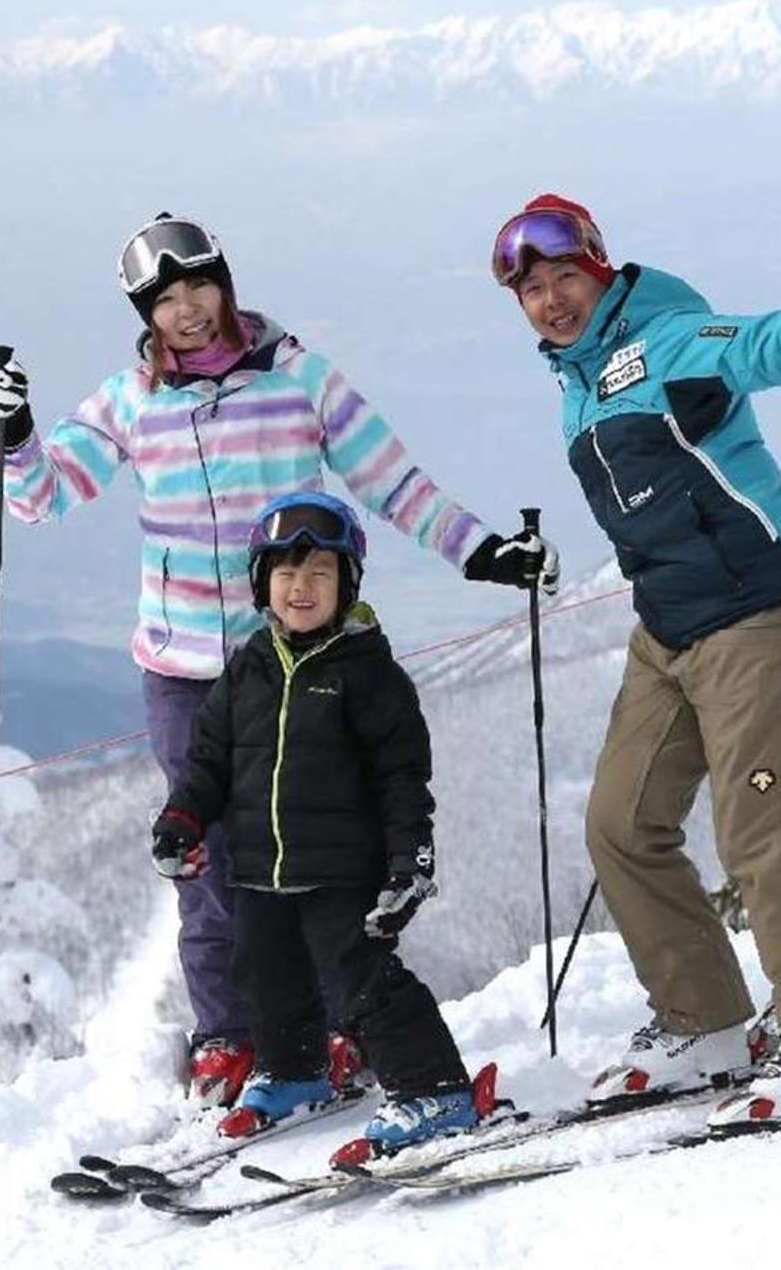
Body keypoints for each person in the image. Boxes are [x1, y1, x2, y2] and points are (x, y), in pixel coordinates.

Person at [0, 213, 557, 1106]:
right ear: (145, 314)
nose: (188, 312)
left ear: (225, 283)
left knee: (318, 855)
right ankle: (230, 1040)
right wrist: (12, 436)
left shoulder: (299, 381)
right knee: (201, 860)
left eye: (198, 287)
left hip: (302, 662)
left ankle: (333, 1026)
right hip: (182, 669)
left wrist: (482, 554)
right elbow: (45, 494)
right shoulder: (131, 401)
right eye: (164, 301)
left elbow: (395, 483)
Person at [488, 192, 781, 1130]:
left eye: (565, 277)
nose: (551, 300)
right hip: (669, 632)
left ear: (599, 267)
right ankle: (707, 1021)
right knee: (621, 824)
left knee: (765, 840)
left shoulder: (667, 335)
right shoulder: (578, 380)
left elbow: (762, 346)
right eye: (532, 290)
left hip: (758, 614)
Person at [148, 492, 485, 1154]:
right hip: (259, 868)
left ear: (347, 583)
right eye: (287, 573)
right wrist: (181, 819)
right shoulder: (249, 665)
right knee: (264, 977)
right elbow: (209, 758)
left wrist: (409, 867)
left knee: (362, 984)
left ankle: (435, 1088)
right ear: (261, 583)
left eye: (320, 574)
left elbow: (402, 782)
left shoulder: (370, 675)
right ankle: (295, 1069)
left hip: (342, 871)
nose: (301, 588)